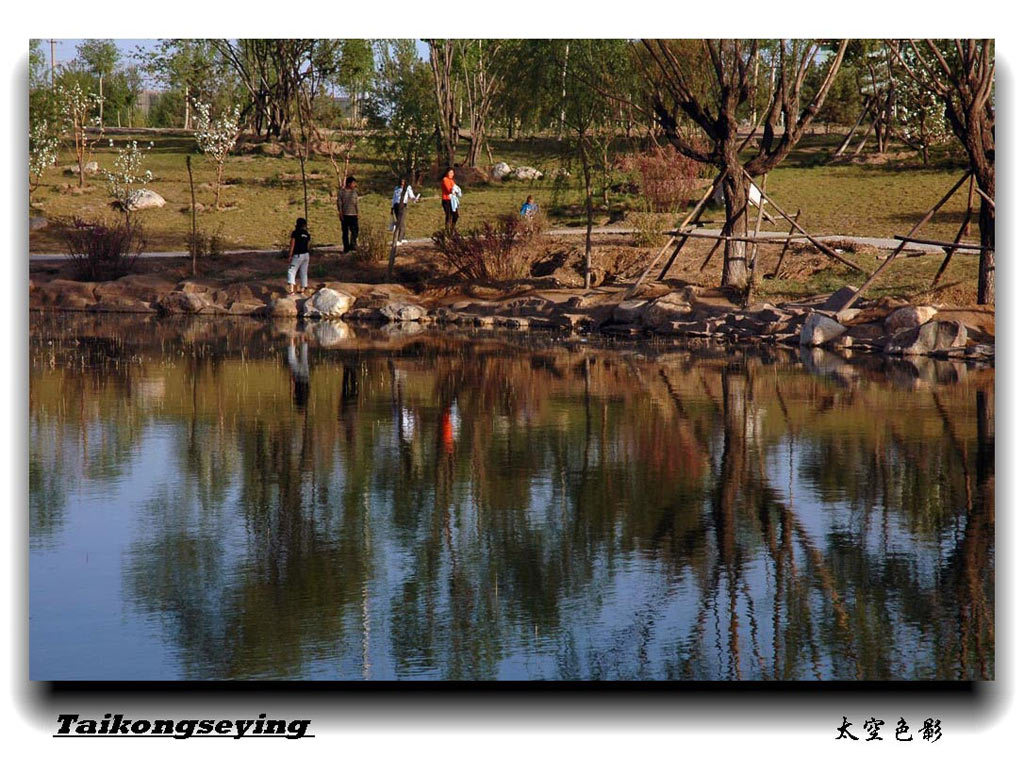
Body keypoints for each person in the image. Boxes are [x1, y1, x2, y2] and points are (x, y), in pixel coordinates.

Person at [286, 217, 312, 294]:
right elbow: (307, 245)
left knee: (291, 271)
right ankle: (303, 287)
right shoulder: (307, 234)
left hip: (298, 255)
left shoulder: (295, 233)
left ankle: (291, 289)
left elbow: (292, 244)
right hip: (306, 255)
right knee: (303, 271)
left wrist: (290, 255)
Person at [391, 178, 420, 245]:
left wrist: (414, 199)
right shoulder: (396, 188)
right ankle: (401, 237)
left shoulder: (408, 187)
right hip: (396, 205)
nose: (402, 182)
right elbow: (394, 197)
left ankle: (400, 239)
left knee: (401, 221)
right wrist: (392, 207)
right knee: (399, 221)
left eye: (403, 181)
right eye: (401, 181)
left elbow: (411, 196)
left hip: (403, 205)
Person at [338, 176, 359, 253]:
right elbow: (339, 203)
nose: (354, 185)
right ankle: (346, 247)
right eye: (353, 183)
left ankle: (353, 245)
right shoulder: (341, 192)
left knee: (355, 230)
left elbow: (356, 203)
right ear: (349, 183)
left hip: (353, 214)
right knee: (345, 232)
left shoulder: (355, 192)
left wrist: (357, 212)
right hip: (345, 214)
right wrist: (340, 212)